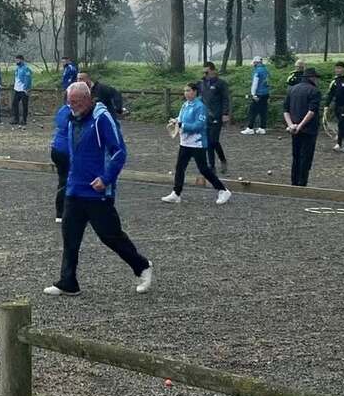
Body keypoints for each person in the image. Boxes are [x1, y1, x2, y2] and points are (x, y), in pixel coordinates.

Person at [45, 82, 154, 298]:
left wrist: (106, 179)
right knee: (70, 237)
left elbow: (119, 152)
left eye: (76, 102)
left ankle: (142, 266)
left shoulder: (102, 118)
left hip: (97, 191)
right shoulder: (71, 118)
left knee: (110, 235)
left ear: (88, 99)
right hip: (74, 189)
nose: (72, 106)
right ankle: (68, 281)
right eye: (69, 102)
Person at [161, 82, 231, 205]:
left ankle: (223, 190)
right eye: (185, 91)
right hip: (185, 142)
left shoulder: (200, 107)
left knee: (203, 169)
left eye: (188, 90)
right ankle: (176, 193)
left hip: (197, 143)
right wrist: (175, 121)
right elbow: (181, 118)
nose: (186, 93)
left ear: (195, 92)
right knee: (179, 168)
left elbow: (199, 126)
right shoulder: (185, 105)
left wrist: (182, 125)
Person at [283, 67, 321, 187]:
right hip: (308, 130)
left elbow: (285, 110)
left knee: (296, 156)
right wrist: (300, 126)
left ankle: (294, 182)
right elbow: (311, 111)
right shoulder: (314, 91)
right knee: (306, 157)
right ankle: (302, 183)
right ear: (312, 78)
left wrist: (291, 125)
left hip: (294, 129)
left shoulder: (292, 89)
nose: (317, 81)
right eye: (316, 78)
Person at [198, 61, 230, 173]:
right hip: (205, 116)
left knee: (214, 141)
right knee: (208, 141)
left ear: (213, 71)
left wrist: (225, 113)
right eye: (203, 72)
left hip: (217, 115)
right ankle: (211, 166)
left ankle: (222, 159)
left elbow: (226, 99)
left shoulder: (221, 83)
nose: (205, 75)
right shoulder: (201, 84)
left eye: (207, 72)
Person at [50, 89, 73, 222]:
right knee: (66, 181)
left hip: (57, 148)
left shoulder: (62, 110)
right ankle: (62, 212)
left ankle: (61, 212)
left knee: (63, 180)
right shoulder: (71, 112)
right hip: (65, 150)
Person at [326, 62, 344, 152]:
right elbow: (330, 94)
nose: (337, 70)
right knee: (341, 124)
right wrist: (326, 105)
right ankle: (342, 144)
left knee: (342, 123)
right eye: (336, 68)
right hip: (337, 106)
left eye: (339, 68)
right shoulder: (334, 81)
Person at [242, 56, 271, 135]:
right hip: (266, 94)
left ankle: (250, 128)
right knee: (263, 111)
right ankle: (262, 128)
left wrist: (253, 94)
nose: (253, 64)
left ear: (256, 63)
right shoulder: (266, 70)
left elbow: (255, 83)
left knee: (252, 111)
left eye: (254, 63)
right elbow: (268, 82)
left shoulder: (257, 71)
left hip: (258, 94)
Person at [11, 54, 33, 127]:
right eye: (16, 60)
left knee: (24, 105)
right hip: (17, 89)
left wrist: (27, 88)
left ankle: (24, 119)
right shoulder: (17, 68)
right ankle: (16, 119)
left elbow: (28, 79)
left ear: (22, 60)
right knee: (15, 104)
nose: (16, 61)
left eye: (18, 60)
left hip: (23, 90)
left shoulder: (26, 68)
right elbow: (16, 78)